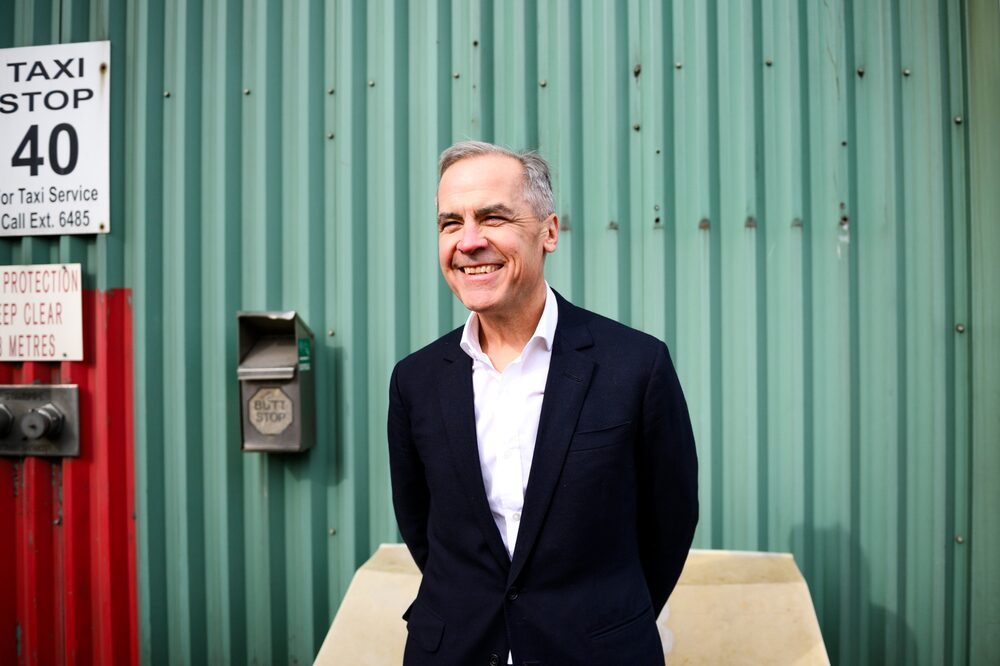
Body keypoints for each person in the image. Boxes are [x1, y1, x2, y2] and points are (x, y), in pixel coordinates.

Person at [387, 140, 698, 665]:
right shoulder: (416, 380)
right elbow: (421, 526)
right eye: (449, 223)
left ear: (549, 231)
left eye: (493, 218)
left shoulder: (635, 367)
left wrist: (605, 622)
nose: (468, 242)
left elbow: (670, 521)